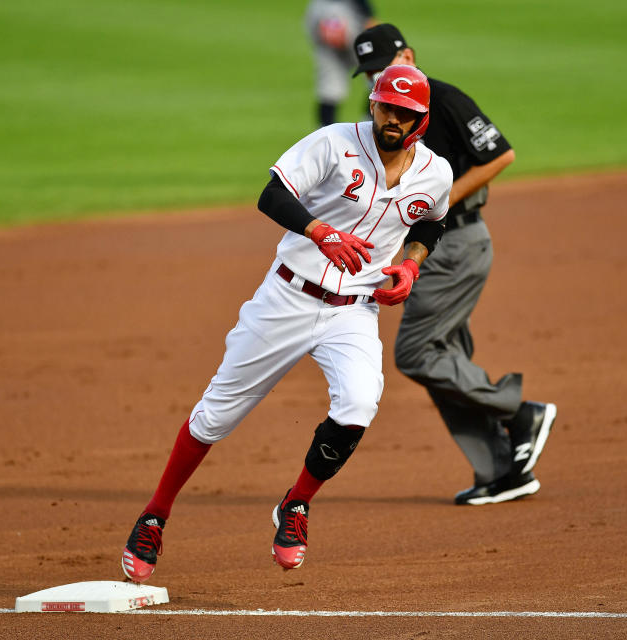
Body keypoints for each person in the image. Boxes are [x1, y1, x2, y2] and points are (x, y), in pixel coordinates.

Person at [121, 65, 453, 582]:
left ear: (422, 120)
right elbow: (272, 195)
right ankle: (154, 515)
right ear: (372, 104)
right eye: (386, 106)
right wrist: (320, 231)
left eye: (405, 113)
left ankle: (295, 505)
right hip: (286, 299)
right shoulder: (333, 143)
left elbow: (431, 221)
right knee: (215, 417)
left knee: (360, 403)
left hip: (354, 310)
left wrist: (410, 265)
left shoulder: (436, 173)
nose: (393, 118)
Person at [352, 24, 556, 506]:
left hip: (456, 243)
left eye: (384, 65)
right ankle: (502, 471)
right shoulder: (383, 114)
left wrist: (436, 203)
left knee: (417, 355)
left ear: (410, 55)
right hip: (427, 249)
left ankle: (520, 412)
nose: (377, 78)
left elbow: (498, 154)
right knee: (445, 360)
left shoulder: (442, 99)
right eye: (369, 73)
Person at [305, 0, 377, 127]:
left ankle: (326, 134)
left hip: (322, 10)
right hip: (343, 13)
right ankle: (369, 129)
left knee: (330, 86)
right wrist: (369, 16)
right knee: (377, 77)